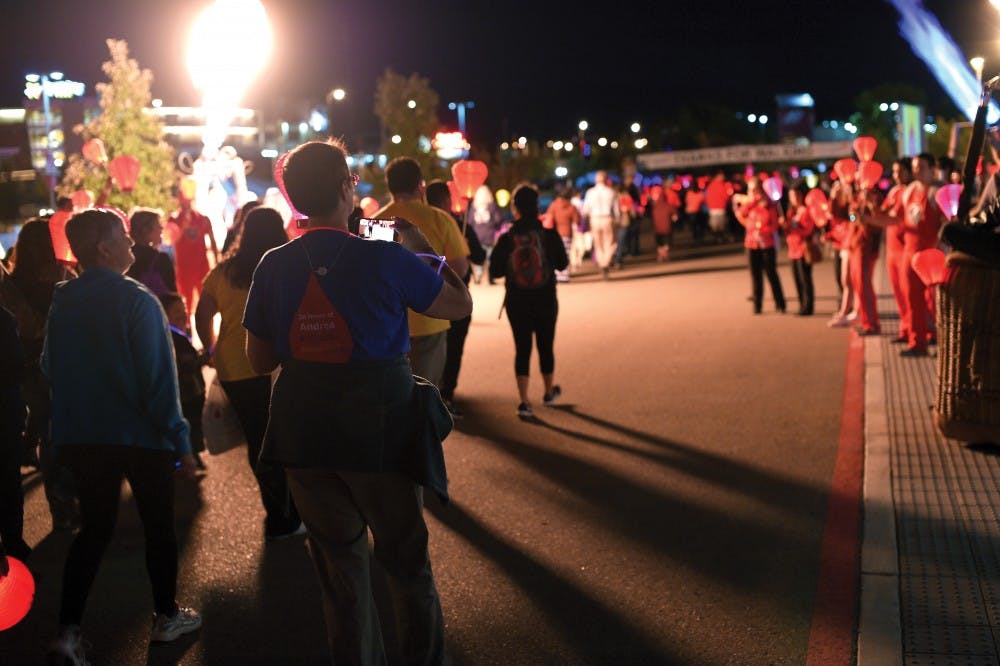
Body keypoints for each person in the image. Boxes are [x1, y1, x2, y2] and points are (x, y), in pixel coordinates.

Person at [242, 139, 472, 664]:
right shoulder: (385, 256)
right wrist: (417, 243)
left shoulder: (273, 265)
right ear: (347, 188)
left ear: (295, 198)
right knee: (406, 566)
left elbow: (258, 360)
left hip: (303, 434)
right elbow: (458, 304)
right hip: (381, 429)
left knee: (340, 575)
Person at [42, 208, 200, 664]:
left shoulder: (63, 300)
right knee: (158, 527)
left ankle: (67, 633)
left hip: (85, 435)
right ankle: (167, 616)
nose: (133, 243)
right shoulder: (139, 301)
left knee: (94, 530)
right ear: (104, 248)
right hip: (141, 435)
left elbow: (50, 367)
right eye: (124, 237)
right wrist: (182, 443)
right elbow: (158, 382)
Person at [195, 207, 303, 540]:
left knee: (258, 440)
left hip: (236, 365)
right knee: (292, 437)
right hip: (285, 364)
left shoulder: (224, 271)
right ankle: (296, 511)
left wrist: (211, 348)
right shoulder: (292, 267)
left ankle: (278, 514)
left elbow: (202, 314)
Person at [1, 218, 78, 528]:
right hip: (65, 362)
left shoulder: (9, 285)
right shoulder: (65, 275)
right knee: (69, 426)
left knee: (47, 428)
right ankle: (74, 495)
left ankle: (57, 501)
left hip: (29, 365)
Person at [375, 157, 470, 386]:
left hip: (387, 321)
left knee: (392, 391)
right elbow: (460, 268)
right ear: (420, 185)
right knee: (426, 390)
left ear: (389, 186)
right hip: (432, 318)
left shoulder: (377, 222)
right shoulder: (439, 219)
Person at [489, 183, 569, 418]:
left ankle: (524, 401)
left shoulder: (507, 238)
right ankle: (548, 391)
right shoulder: (548, 235)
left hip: (517, 300)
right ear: (536, 206)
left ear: (515, 208)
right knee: (546, 345)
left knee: (522, 348)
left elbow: (495, 272)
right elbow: (563, 264)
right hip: (545, 298)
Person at [860, 153, 942, 356]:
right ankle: (917, 342)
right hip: (909, 254)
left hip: (930, 255)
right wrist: (869, 218)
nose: (916, 171)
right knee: (911, 298)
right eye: (915, 167)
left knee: (936, 302)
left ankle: (939, 340)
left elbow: (945, 225)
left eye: (921, 166)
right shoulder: (909, 192)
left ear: (932, 169)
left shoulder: (936, 194)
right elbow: (896, 220)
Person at [425, 179, 486, 418]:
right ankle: (446, 395)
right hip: (454, 299)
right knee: (454, 348)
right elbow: (478, 258)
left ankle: (434, 393)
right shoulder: (455, 224)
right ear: (446, 200)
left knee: (430, 351)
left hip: (425, 298)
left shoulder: (419, 224)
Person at [160, 292, 207, 470]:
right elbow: (187, 364)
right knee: (190, 423)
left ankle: (188, 455)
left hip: (187, 393)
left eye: (184, 309)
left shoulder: (173, 335)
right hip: (187, 393)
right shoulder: (176, 338)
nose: (183, 313)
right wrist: (204, 358)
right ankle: (188, 456)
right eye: (178, 310)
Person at [0, 303, 30, 564]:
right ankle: (13, 548)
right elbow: (16, 364)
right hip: (4, 411)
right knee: (8, 481)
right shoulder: (4, 319)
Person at [735, 176, 786, 314]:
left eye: (755, 190)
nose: (753, 193)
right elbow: (740, 214)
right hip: (751, 244)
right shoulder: (749, 205)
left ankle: (780, 304)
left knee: (771, 274)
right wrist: (751, 202)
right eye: (751, 190)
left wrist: (763, 232)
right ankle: (757, 305)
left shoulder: (769, 205)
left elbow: (774, 225)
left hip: (767, 244)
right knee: (755, 276)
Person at [167, 191, 219, 318]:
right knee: (185, 304)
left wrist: (218, 263)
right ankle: (187, 331)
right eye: (183, 200)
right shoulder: (173, 219)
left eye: (188, 200)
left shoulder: (203, 219)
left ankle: (208, 333)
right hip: (184, 268)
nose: (186, 203)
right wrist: (183, 225)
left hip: (202, 267)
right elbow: (169, 241)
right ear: (179, 201)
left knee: (207, 302)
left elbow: (212, 242)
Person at [883, 159, 915, 344]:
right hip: (891, 248)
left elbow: (893, 218)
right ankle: (905, 329)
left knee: (908, 293)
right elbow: (883, 211)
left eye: (901, 171)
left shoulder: (910, 192)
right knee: (898, 293)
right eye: (894, 171)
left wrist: (869, 219)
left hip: (904, 249)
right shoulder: (894, 192)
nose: (897, 175)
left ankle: (916, 331)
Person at [780, 184, 816, 316]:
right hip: (792, 249)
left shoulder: (806, 211)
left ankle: (808, 305)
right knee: (796, 279)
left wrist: (792, 227)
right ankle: (802, 304)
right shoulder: (791, 212)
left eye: (796, 195)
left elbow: (807, 230)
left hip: (803, 249)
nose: (794, 198)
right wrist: (784, 225)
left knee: (805, 279)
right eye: (792, 196)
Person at [127, 208, 177, 296]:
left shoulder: (123, 256)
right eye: (158, 225)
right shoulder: (161, 259)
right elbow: (172, 296)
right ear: (146, 230)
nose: (162, 228)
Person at [581, 171, 620, 279]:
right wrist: (617, 220)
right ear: (606, 180)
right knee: (610, 243)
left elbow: (585, 210)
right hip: (607, 218)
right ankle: (606, 263)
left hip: (595, 219)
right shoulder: (611, 192)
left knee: (598, 244)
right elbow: (616, 210)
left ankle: (602, 263)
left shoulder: (590, 192)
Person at [467, 184, 503, 284]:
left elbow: (469, 222)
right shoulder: (492, 206)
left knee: (479, 256)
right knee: (489, 257)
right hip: (489, 235)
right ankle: (490, 278)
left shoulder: (474, 207)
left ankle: (478, 275)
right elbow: (498, 219)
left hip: (477, 234)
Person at [542, 189, 579, 282]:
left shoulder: (554, 205)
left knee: (555, 253)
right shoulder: (571, 206)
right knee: (565, 254)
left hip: (556, 233)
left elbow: (548, 216)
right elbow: (577, 220)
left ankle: (557, 275)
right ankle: (564, 276)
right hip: (567, 233)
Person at [612, 183, 638, 269]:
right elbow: (632, 210)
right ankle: (618, 260)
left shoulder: (612, 197)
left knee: (613, 241)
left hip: (613, 222)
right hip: (624, 221)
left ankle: (613, 258)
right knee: (621, 241)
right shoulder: (626, 197)